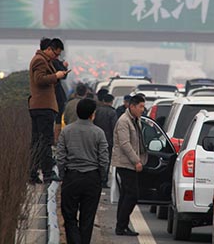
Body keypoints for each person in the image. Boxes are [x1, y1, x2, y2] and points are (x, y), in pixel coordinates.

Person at [57, 98, 109, 244]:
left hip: (71, 178)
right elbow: (104, 159)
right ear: (93, 114)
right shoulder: (99, 133)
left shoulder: (66, 131)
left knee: (69, 217)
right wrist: (101, 176)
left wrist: (62, 175)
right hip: (92, 179)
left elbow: (60, 157)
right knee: (88, 219)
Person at [28, 37, 68, 184]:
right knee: (45, 141)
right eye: (56, 54)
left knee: (38, 142)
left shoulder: (45, 60)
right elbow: (39, 79)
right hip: (42, 106)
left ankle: (33, 173)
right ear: (49, 49)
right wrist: (55, 76)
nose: (56, 57)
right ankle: (47, 173)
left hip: (40, 106)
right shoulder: (40, 60)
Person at [112, 94, 147, 236]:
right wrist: (136, 161)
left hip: (130, 163)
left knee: (126, 194)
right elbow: (125, 144)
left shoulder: (135, 120)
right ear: (132, 106)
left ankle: (122, 226)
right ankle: (121, 225)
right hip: (125, 163)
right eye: (141, 107)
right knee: (132, 195)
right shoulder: (124, 121)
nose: (143, 110)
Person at [93, 93, 118, 188]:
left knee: (96, 159)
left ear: (103, 101)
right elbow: (114, 127)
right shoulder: (112, 112)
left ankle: (96, 178)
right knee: (105, 160)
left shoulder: (97, 111)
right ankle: (104, 180)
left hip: (96, 139)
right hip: (108, 141)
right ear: (111, 102)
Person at [52, 39, 69, 143]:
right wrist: (64, 68)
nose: (58, 55)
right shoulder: (52, 62)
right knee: (57, 118)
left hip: (55, 96)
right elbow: (63, 75)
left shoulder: (50, 61)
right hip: (55, 97)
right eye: (57, 53)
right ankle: (56, 139)